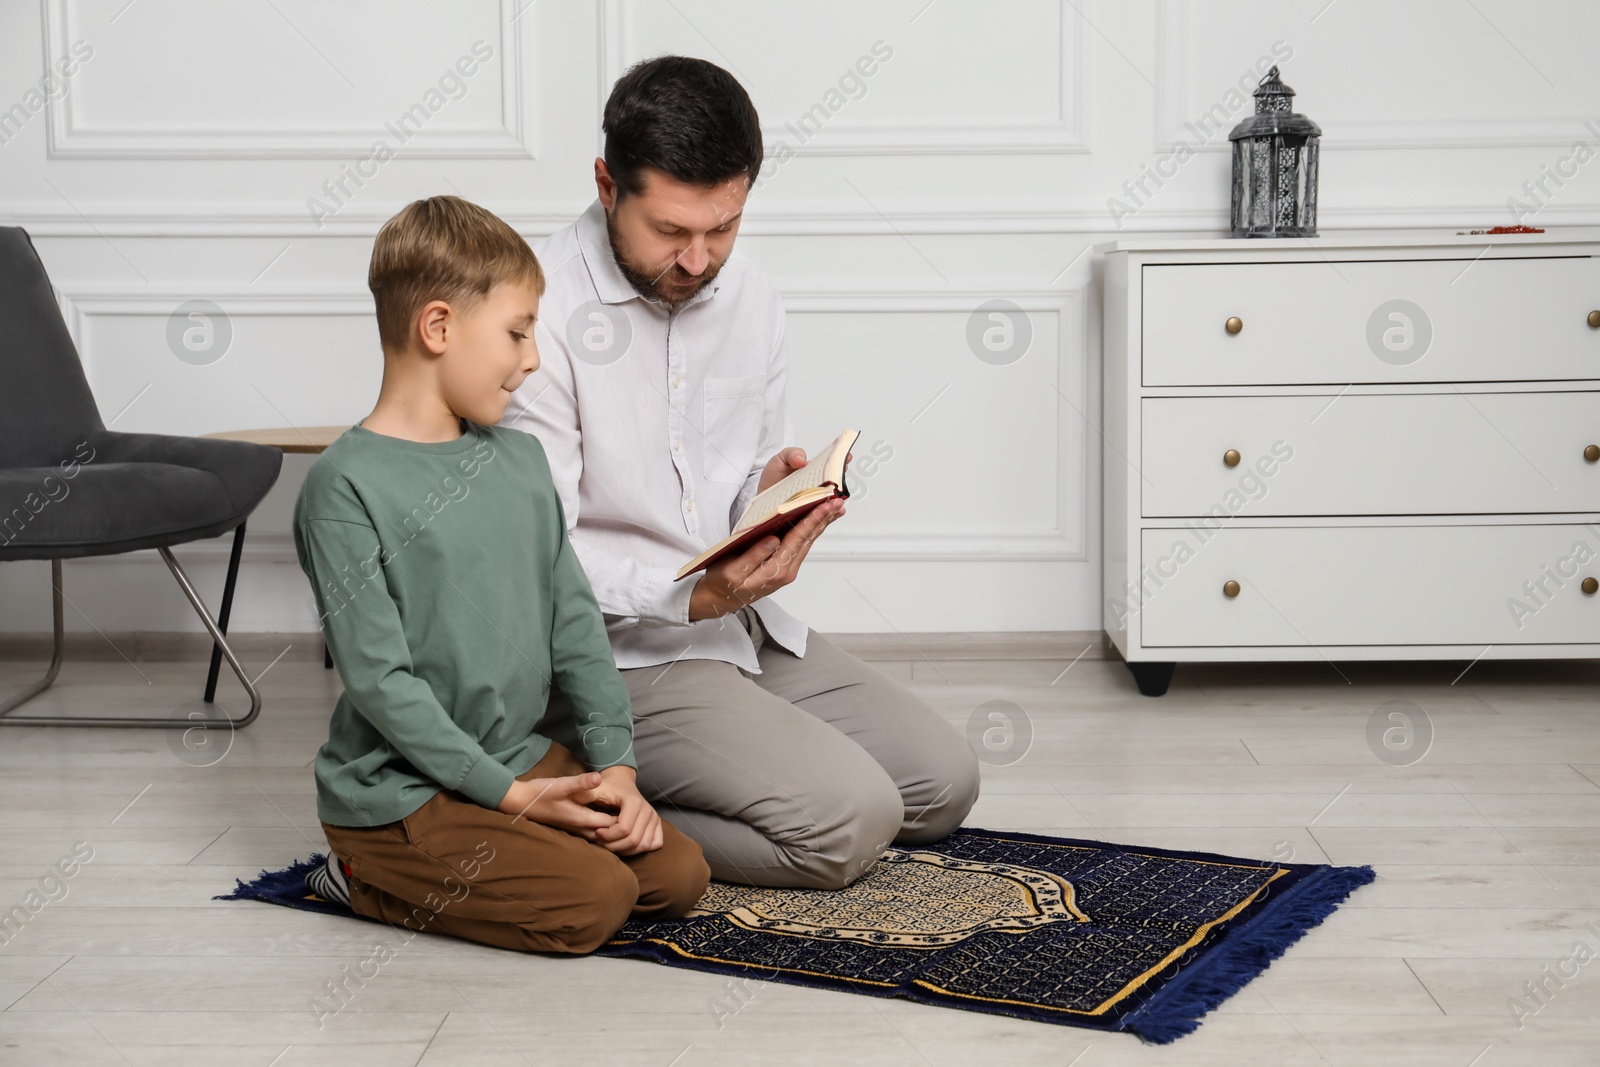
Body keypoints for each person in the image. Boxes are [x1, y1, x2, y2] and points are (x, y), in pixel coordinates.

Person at [501, 56, 980, 891]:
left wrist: (777, 495)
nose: (698, 260)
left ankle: (675, 775)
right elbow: (540, 549)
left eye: (722, 229)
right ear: (608, 185)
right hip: (615, 658)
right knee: (849, 823)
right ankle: (563, 787)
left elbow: (742, 465)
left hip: (739, 627)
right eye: (672, 233)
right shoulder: (534, 314)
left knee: (942, 784)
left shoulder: (750, 293)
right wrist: (689, 595)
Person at [293, 195, 709, 954]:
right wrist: (516, 798)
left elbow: (575, 625)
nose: (534, 358)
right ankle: (359, 875)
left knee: (678, 875)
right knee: (594, 903)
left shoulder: (518, 461)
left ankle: (506, 833)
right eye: (518, 332)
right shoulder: (344, 487)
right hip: (402, 791)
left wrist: (614, 763)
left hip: (515, 754)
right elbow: (382, 684)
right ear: (439, 327)